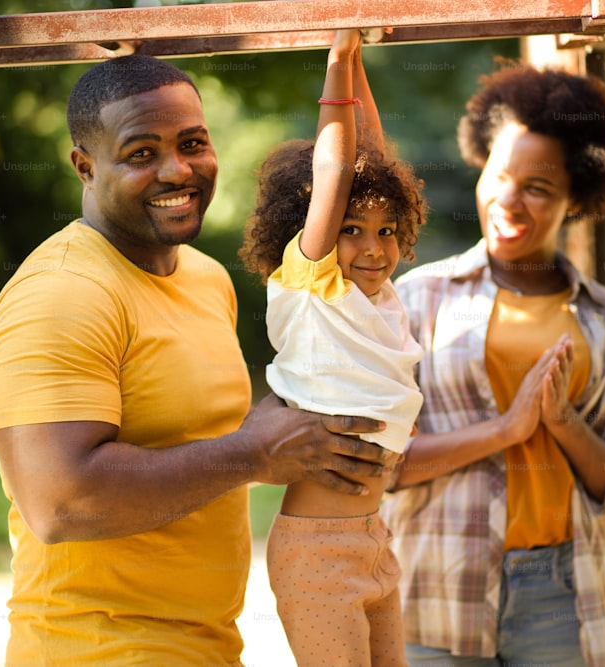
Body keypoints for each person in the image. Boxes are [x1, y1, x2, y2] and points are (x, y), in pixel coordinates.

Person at [0, 54, 394, 666]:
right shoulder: (60, 296)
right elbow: (60, 501)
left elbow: (198, 433)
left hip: (208, 647)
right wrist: (255, 452)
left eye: (192, 143)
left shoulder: (205, 278)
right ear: (85, 167)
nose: (177, 170)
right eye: (141, 153)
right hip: (96, 652)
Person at [380, 63, 605, 667]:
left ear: (575, 201)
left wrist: (562, 421)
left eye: (538, 189)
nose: (508, 200)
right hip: (434, 580)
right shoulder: (415, 300)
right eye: (500, 175)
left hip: (566, 589)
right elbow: (380, 466)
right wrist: (507, 429)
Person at [238, 29, 426, 667]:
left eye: (386, 231)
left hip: (373, 537)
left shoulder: (378, 299)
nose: (373, 249)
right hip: (317, 555)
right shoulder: (312, 282)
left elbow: (372, 157)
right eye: (351, 230)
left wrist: (362, 60)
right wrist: (338, 59)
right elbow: (338, 167)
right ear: (315, 228)